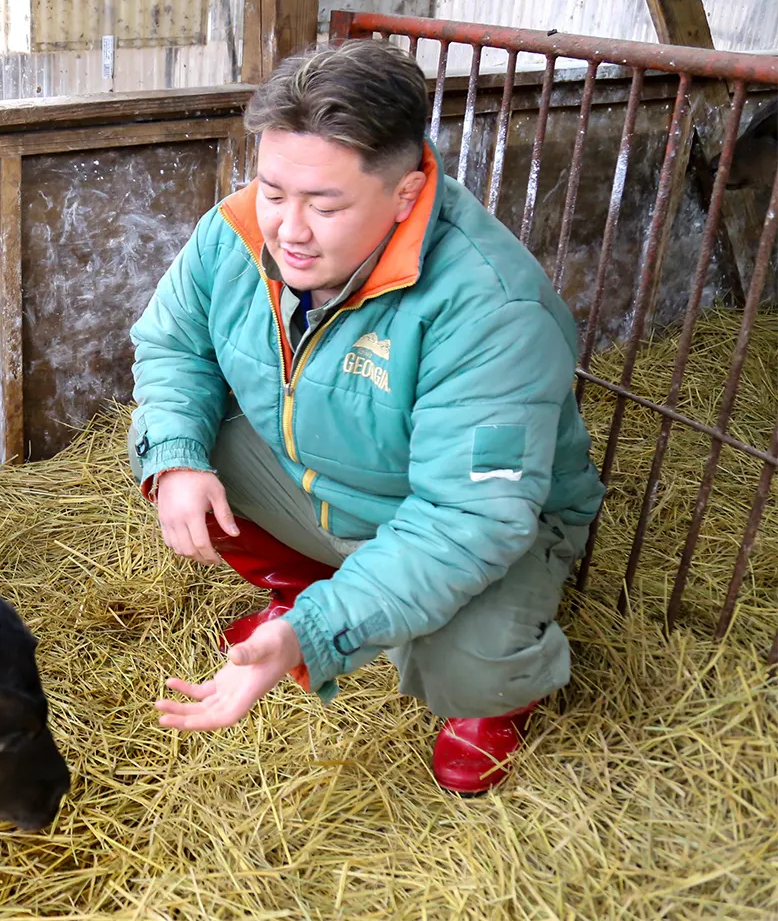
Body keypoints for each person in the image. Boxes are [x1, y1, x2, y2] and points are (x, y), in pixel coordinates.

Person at [127, 39, 605, 793]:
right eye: (273, 189)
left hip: (470, 520)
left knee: (468, 667)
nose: (287, 227)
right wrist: (179, 459)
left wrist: (314, 633)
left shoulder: (489, 308)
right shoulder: (238, 231)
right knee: (173, 437)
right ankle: (310, 580)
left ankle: (501, 688)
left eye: (325, 203)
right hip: (334, 482)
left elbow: (466, 518)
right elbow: (170, 343)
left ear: (407, 195)